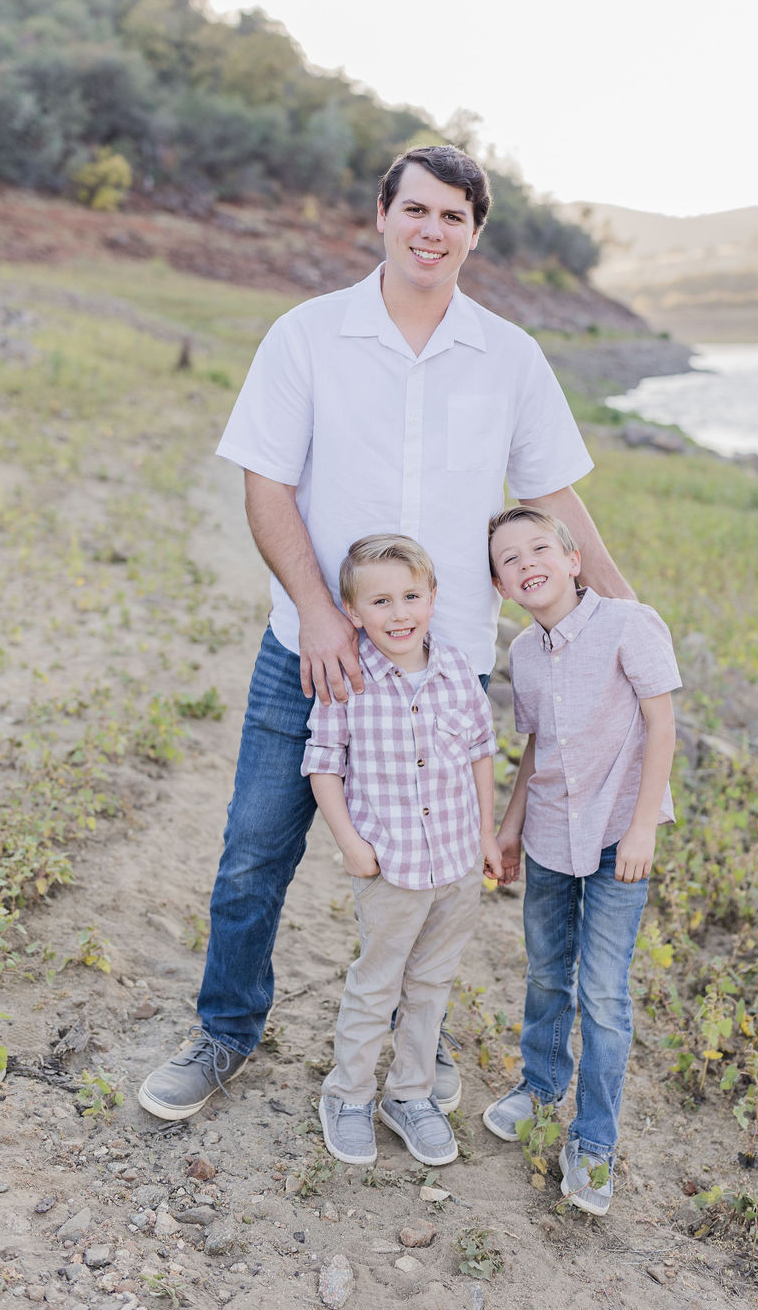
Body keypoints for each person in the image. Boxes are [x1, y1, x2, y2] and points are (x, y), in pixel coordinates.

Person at [137, 145, 635, 1121]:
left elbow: (548, 492)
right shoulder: (307, 336)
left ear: (474, 233)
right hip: (310, 654)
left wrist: (620, 614)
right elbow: (266, 482)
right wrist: (321, 611)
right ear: (381, 215)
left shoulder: (509, 358)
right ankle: (225, 1032)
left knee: (444, 872)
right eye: (416, 209)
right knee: (251, 856)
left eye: (453, 216)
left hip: (442, 671)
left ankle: (417, 1052)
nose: (431, 230)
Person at [481, 506, 679, 1216]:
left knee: (602, 994)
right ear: (501, 583)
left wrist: (641, 829)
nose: (526, 561)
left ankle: (593, 1143)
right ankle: (538, 1088)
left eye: (539, 547)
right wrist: (507, 829)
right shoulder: (525, 655)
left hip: (616, 844)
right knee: (543, 973)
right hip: (550, 839)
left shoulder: (630, 623)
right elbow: (537, 750)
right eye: (509, 558)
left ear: (572, 560)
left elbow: (662, 725)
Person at [304, 533, 502, 1167]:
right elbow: (323, 763)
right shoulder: (350, 679)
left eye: (411, 596)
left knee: (431, 985)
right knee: (377, 985)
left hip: (456, 863)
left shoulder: (455, 670)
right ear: (354, 613)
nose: (399, 614)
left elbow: (478, 754)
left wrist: (485, 834)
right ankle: (349, 1095)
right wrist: (349, 843)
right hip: (388, 866)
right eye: (381, 601)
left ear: (434, 598)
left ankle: (410, 1095)